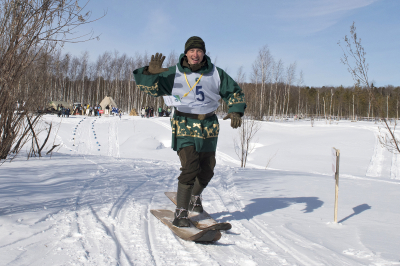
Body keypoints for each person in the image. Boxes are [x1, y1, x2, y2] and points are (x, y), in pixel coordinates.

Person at [133, 36, 245, 227]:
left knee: (207, 169)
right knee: (190, 166)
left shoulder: (216, 73)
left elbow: (233, 92)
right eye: (192, 51)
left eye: (199, 51)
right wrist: (149, 73)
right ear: (186, 53)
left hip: (209, 125)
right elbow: (149, 88)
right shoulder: (172, 72)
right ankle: (181, 213)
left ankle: (194, 197)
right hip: (184, 123)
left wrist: (235, 109)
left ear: (204, 53)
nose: (195, 54)